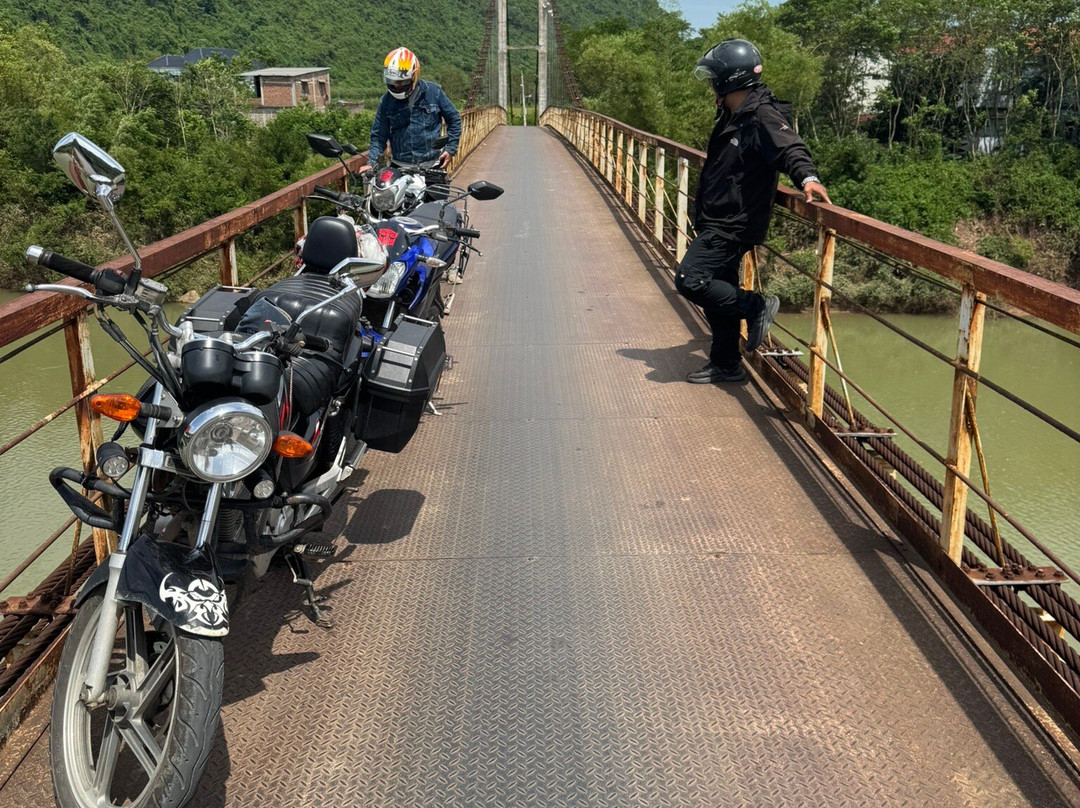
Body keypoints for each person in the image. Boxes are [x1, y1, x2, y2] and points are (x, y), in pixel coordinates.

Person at [675, 39, 830, 384]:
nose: (710, 84)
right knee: (719, 293)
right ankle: (726, 363)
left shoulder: (761, 114)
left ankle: (756, 306)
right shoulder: (735, 112)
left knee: (691, 280)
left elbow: (791, 147)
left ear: (729, 78)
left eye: (713, 77)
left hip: (732, 224)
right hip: (720, 219)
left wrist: (808, 177)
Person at [363, 48, 462, 172]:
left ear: (413, 76)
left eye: (401, 82)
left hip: (432, 165)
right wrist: (371, 162)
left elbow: (454, 118)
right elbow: (378, 136)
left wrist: (450, 148)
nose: (396, 85)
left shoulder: (433, 92)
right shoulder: (386, 102)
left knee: (438, 192)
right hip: (400, 167)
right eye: (392, 82)